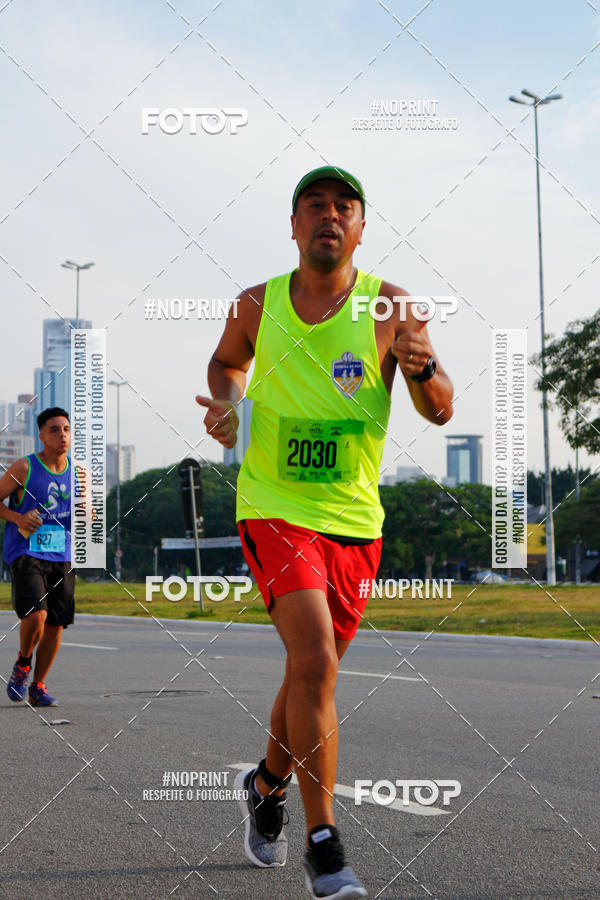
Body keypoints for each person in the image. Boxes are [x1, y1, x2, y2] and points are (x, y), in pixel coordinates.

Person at [196, 166, 453, 899]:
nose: (329, 216)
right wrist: (228, 406)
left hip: (353, 520)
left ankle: (266, 785)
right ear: (294, 225)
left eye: (345, 206)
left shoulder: (392, 307)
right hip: (274, 506)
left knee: (311, 674)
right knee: (314, 661)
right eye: (315, 206)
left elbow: (438, 409)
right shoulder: (256, 302)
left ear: (362, 228)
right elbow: (225, 365)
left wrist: (424, 364)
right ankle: (324, 842)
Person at [1, 407, 75, 707]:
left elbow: (86, 512)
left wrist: (90, 513)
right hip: (27, 551)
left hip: (62, 554)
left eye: (67, 429)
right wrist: (17, 519)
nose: (62, 435)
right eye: (55, 430)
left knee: (56, 623)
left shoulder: (78, 471)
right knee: (37, 615)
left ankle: (38, 686)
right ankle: (22, 664)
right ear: (42, 435)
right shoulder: (24, 468)